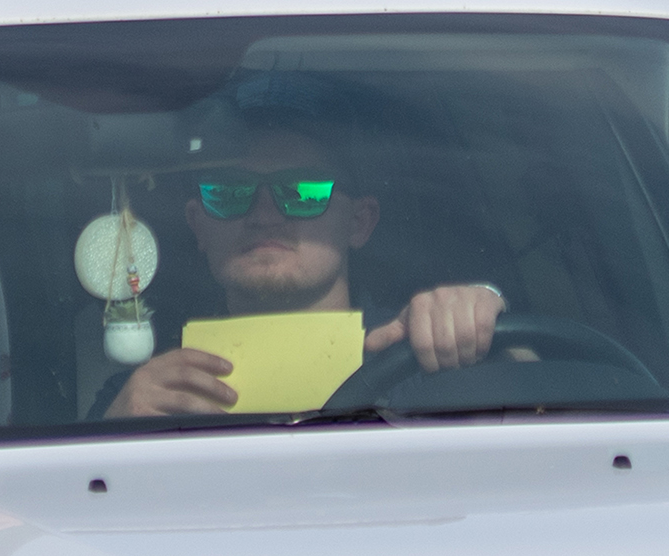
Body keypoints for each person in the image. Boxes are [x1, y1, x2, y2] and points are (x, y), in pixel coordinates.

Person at [103, 74, 505, 418]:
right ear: (198, 225)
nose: (264, 214)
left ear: (359, 222)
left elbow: (545, 405)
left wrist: (485, 324)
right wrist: (113, 426)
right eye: (228, 192)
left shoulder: (430, 352)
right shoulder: (146, 395)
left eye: (303, 191)